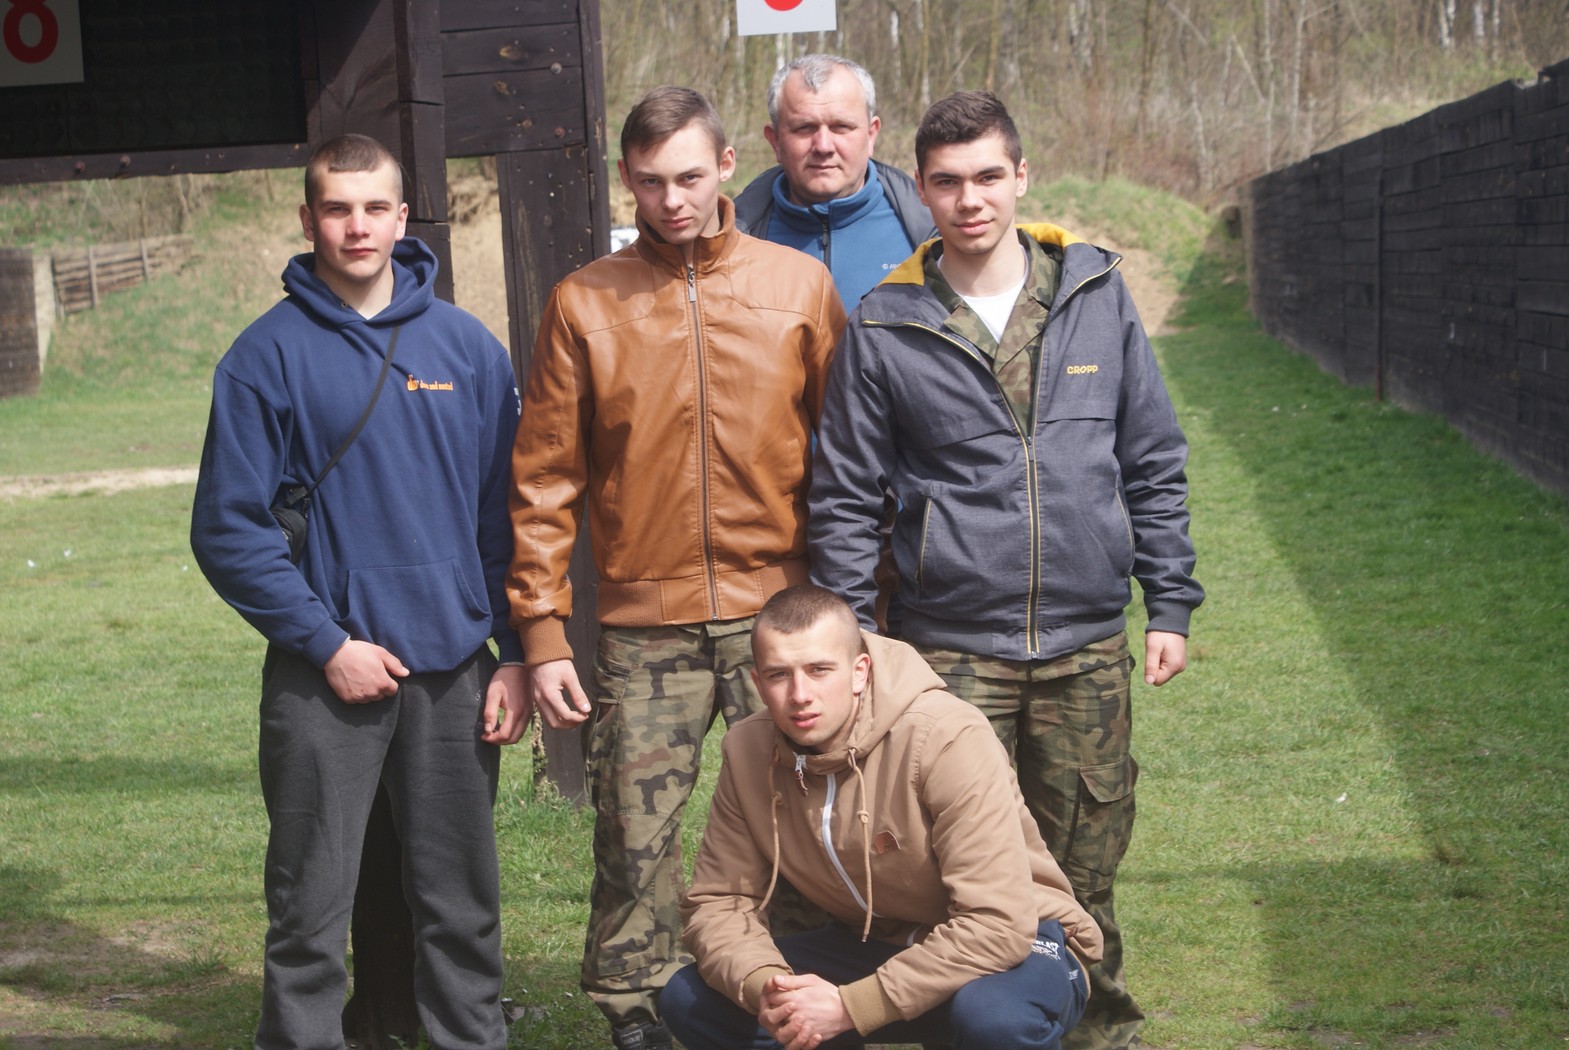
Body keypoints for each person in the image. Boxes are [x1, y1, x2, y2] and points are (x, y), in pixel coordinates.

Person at [807, 92, 1205, 1050]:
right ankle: (965, 1029)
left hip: (1085, 646)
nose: (969, 199)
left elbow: (1151, 458)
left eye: (988, 176)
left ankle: (1095, 1029)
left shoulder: (1093, 293)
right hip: (950, 653)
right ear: (921, 190)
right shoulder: (886, 322)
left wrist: (1170, 603)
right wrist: (863, 646)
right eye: (946, 182)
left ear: (1021, 178)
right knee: (958, 875)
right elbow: (845, 498)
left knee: (1085, 871)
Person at [506, 87, 844, 1050]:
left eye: (689, 177)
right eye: (651, 182)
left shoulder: (798, 288)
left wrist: (854, 608)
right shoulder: (584, 302)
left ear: (728, 164)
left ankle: (798, 998)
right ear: (626, 178)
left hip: (779, 617)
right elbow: (544, 479)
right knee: (632, 832)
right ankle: (636, 1012)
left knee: (802, 822)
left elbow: (847, 460)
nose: (672, 199)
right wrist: (541, 633)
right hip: (642, 623)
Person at [190, 133, 528, 1050]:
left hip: (453, 667)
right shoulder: (263, 358)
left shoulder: (468, 347)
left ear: (403, 216)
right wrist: (325, 642)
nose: (357, 226)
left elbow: (504, 519)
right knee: (309, 904)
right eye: (337, 209)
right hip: (323, 673)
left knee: (460, 902)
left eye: (375, 207)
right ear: (308, 219)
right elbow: (227, 529)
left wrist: (516, 652)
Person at [663, 585, 1103, 1050]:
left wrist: (852, 1006)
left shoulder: (946, 734)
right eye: (779, 675)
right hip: (877, 942)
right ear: (757, 682)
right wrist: (768, 986)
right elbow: (720, 901)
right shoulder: (749, 749)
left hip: (1017, 941)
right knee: (690, 998)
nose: (799, 695)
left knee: (993, 1018)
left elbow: (998, 923)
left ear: (860, 671)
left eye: (819, 670)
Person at [734, 53, 936, 306]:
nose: (823, 146)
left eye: (841, 127)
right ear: (775, 141)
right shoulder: (732, 242)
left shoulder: (934, 233)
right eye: (804, 128)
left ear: (871, 135)